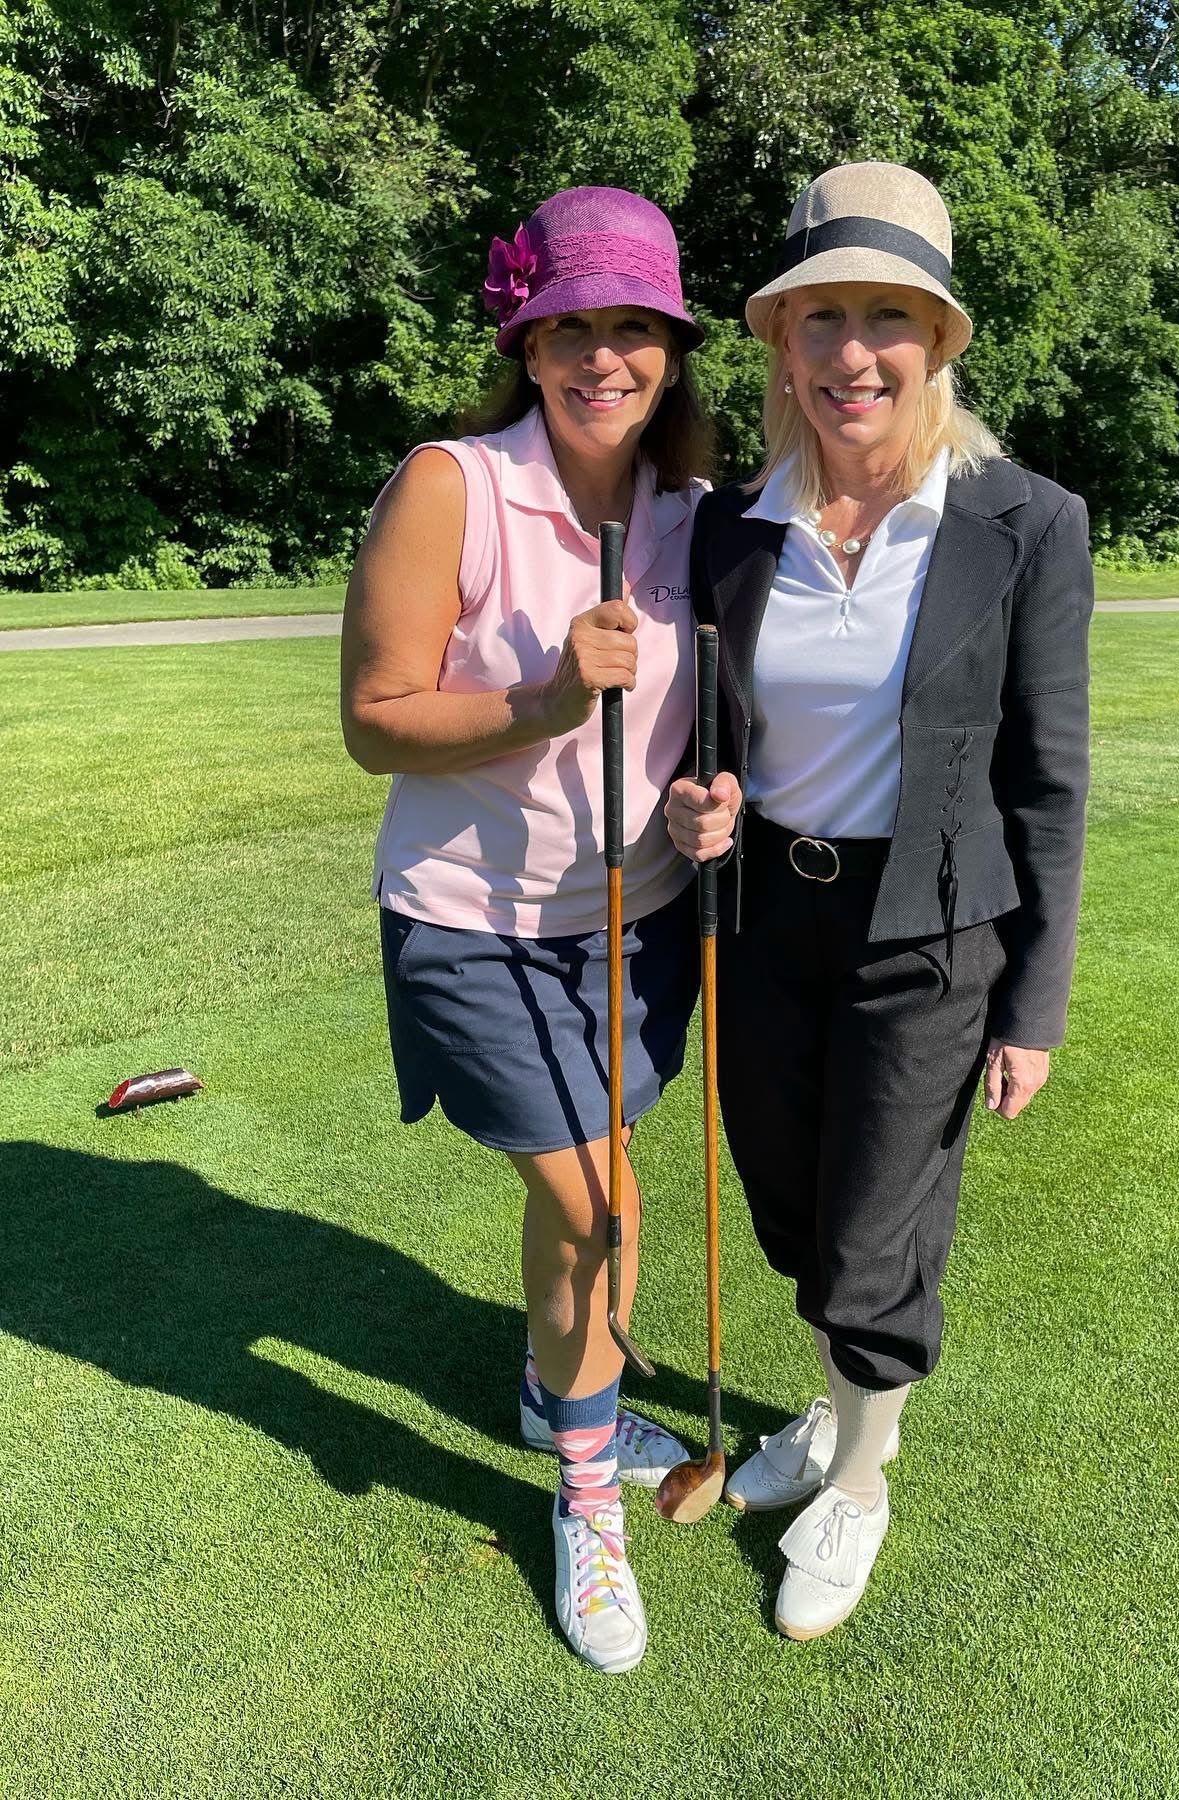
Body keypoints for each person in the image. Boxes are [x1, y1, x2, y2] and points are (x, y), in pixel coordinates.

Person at [666, 162, 1094, 1640]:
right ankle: (838, 1406)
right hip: (768, 921)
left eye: (889, 317)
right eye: (824, 316)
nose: (856, 352)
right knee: (790, 1198)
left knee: (872, 1230)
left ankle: (864, 1472)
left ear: (938, 339)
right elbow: (711, 734)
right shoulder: (732, 526)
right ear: (782, 343)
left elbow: (1050, 780)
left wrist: (1033, 1006)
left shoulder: (1024, 522)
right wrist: (702, 798)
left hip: (931, 935)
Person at [342, 186, 711, 1674]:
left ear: (673, 349)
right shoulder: (452, 484)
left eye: (635, 326)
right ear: (527, 337)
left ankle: (552, 1382)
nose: (603, 356)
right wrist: (550, 701)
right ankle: (582, 1493)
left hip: (636, 923)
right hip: (474, 924)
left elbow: (710, 718)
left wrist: (709, 800)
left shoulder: (695, 513)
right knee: (603, 1203)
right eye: (573, 326)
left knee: (582, 1207)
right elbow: (376, 723)